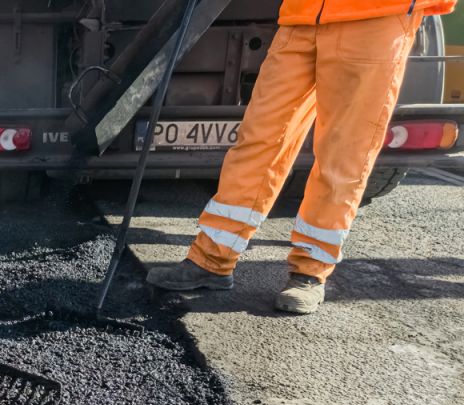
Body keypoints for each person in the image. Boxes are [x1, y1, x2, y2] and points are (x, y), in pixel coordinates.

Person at [146, 0, 456, 315]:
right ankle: (211, 259)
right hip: (303, 14)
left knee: (344, 152)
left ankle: (310, 272)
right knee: (259, 137)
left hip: (376, 16)